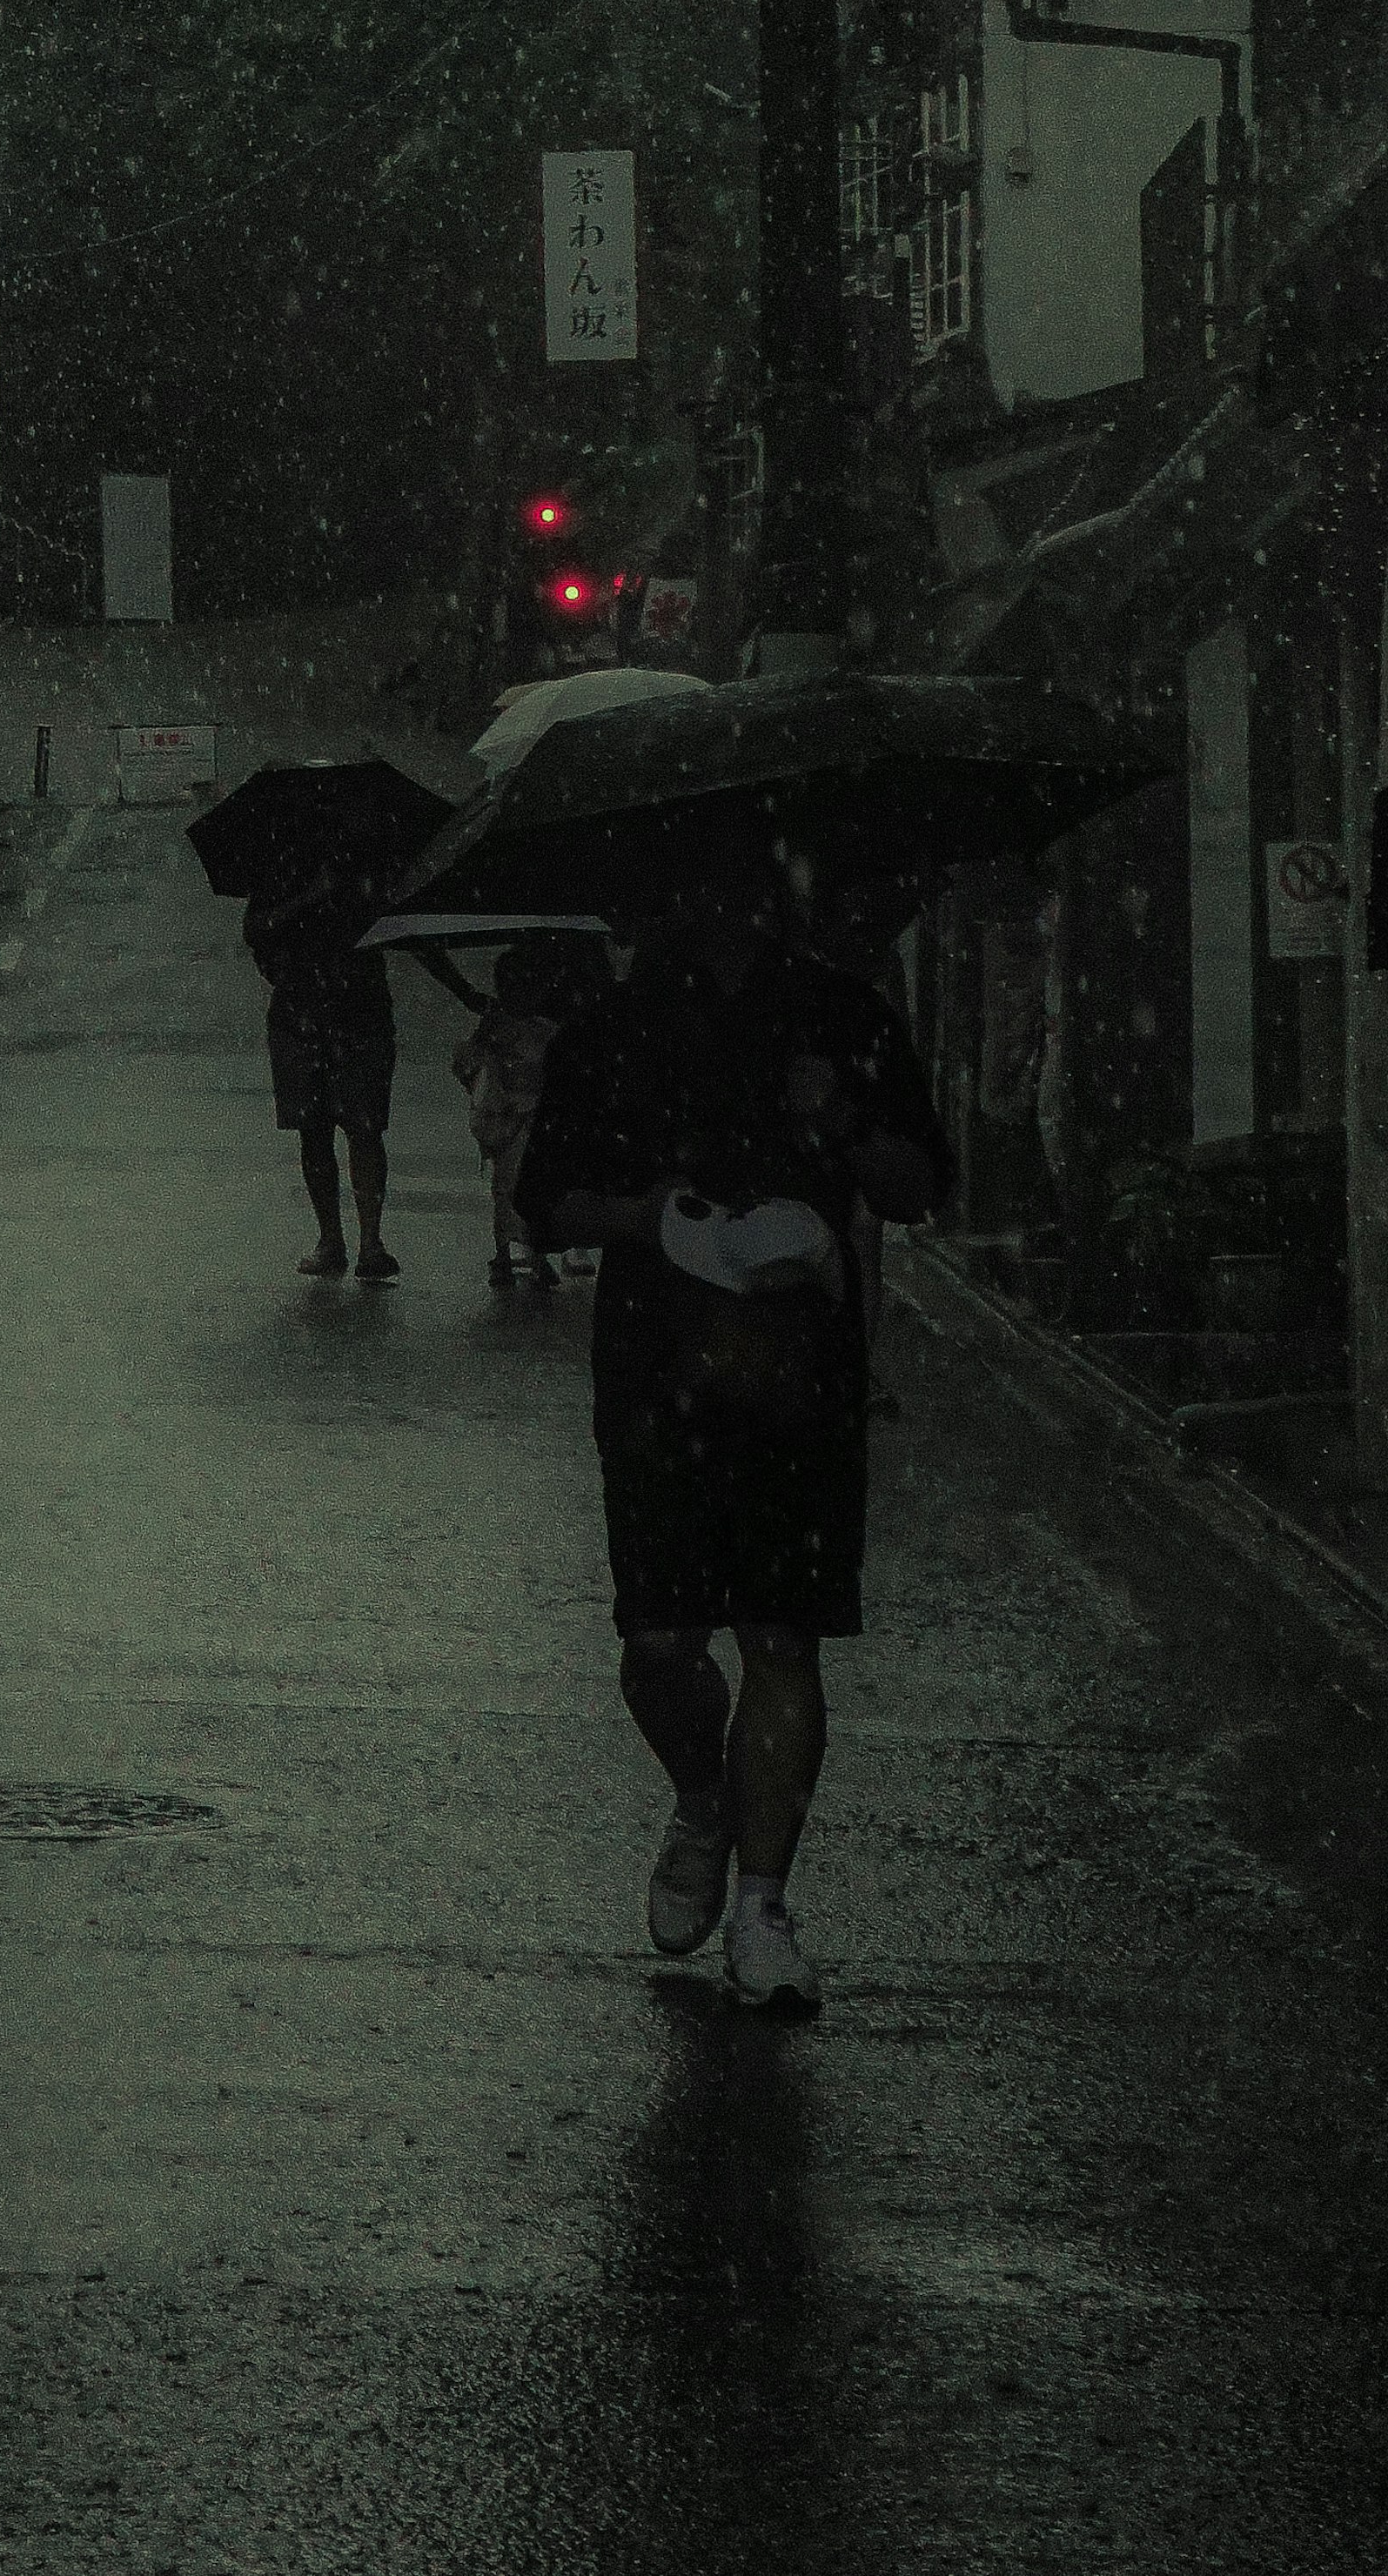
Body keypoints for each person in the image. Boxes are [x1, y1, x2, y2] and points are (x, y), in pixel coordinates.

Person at [520, 826, 949, 2014]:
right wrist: (645, 1211)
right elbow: (545, 1198)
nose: (728, 907)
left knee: (782, 1633)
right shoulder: (616, 1032)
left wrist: (843, 1120)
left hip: (799, 1373)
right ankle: (704, 1798)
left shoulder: (841, 1014)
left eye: (747, 878)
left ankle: (764, 1903)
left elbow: (919, 1188)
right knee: (661, 1644)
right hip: (658, 1374)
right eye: (699, 882)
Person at [244, 860, 401, 1280]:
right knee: (316, 1129)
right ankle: (334, 1239)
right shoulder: (282, 864)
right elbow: (257, 930)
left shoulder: (366, 865)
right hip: (308, 1010)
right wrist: (309, 899)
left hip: (351, 1008)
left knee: (362, 1127)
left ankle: (368, 1241)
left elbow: (399, 923)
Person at [450, 931, 614, 1294]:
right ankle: (517, 1253)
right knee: (513, 1188)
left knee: (510, 1188)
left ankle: (516, 1253)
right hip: (520, 1117)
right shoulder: (535, 1028)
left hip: (515, 1117)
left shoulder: (515, 1026)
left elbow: (468, 1062)